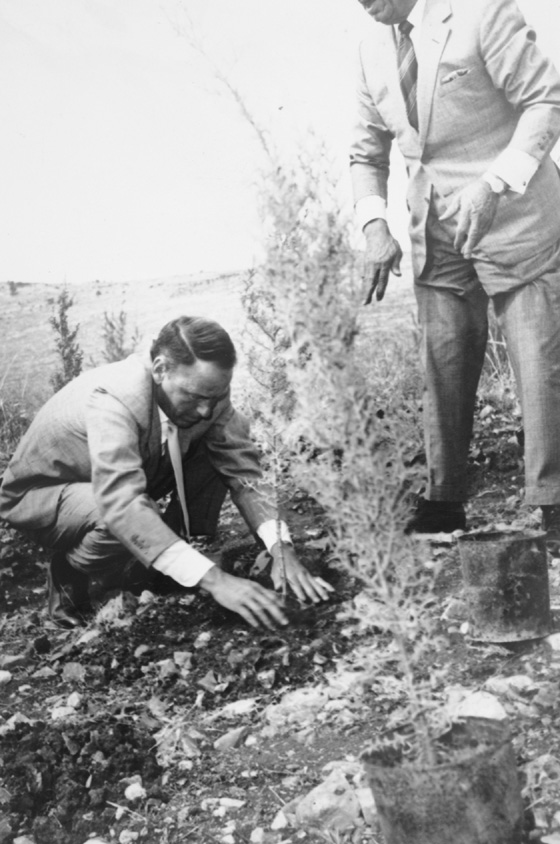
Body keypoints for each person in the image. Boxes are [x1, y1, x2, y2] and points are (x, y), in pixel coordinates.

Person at [350, 0, 560, 533]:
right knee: (442, 363)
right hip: (436, 233)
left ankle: (553, 501)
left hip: (516, 220)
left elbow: (545, 101)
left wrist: (493, 185)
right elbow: (366, 152)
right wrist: (375, 224)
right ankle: (443, 500)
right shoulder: (372, 47)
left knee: (539, 363)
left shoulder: (482, 11)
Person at [0, 316, 332, 628]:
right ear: (160, 369)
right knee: (114, 516)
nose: (206, 410)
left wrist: (282, 549)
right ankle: (70, 571)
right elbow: (122, 503)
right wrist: (216, 581)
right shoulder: (114, 399)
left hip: (118, 479)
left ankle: (161, 560)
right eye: (196, 397)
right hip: (45, 495)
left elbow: (243, 471)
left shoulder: (207, 391)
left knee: (215, 447)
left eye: (215, 398)